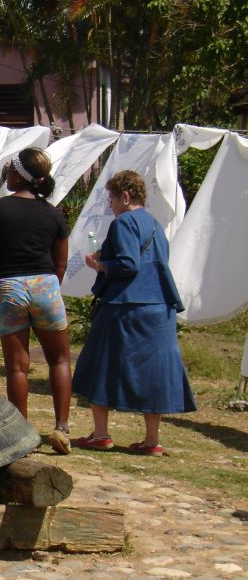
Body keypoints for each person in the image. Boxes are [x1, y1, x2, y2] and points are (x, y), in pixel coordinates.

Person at [72, 170, 196, 455]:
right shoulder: (155, 225)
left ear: (125, 196)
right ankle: (152, 440)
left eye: (112, 199)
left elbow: (128, 264)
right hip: (159, 304)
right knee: (153, 371)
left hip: (125, 306)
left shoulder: (124, 222)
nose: (110, 206)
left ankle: (101, 433)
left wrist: (100, 266)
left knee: (99, 363)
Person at [0, 147, 72, 454]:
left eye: (10, 171)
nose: (7, 175)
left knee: (17, 366)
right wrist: (49, 287)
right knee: (60, 359)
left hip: (8, 288)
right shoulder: (55, 214)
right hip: (46, 285)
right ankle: (62, 429)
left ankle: (22, 433)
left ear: (20, 175)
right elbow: (61, 263)